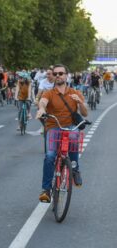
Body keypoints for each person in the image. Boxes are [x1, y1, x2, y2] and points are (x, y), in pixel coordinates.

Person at [36, 64, 88, 202]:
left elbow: (85, 113)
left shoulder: (75, 93)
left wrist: (80, 103)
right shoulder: (50, 93)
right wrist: (41, 109)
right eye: (55, 74)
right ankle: (46, 190)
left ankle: (75, 169)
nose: (58, 76)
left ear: (66, 75)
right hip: (54, 126)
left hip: (70, 126)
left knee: (74, 136)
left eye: (61, 73)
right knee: (50, 156)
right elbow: (42, 101)